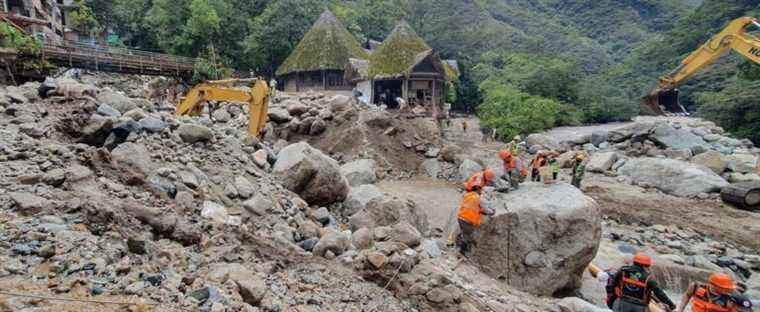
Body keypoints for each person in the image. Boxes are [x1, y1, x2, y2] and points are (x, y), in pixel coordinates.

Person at [607, 253, 677, 312]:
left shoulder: (623, 271)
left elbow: (611, 285)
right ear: (646, 265)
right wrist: (671, 305)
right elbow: (660, 294)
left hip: (622, 303)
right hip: (640, 307)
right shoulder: (649, 279)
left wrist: (611, 301)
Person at [677, 273, 753, 312]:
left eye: (728, 288)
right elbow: (687, 295)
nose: (727, 290)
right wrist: (680, 309)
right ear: (713, 285)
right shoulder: (696, 287)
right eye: (724, 288)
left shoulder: (732, 298)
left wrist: (732, 309)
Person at [456, 183, 495, 255]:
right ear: (478, 190)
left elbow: (472, 206)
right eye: (480, 190)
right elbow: (486, 209)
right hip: (467, 220)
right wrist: (492, 212)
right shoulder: (479, 198)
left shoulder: (468, 195)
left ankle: (461, 249)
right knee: (469, 236)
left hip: (461, 217)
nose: (481, 192)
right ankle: (463, 252)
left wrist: (480, 211)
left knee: (465, 234)